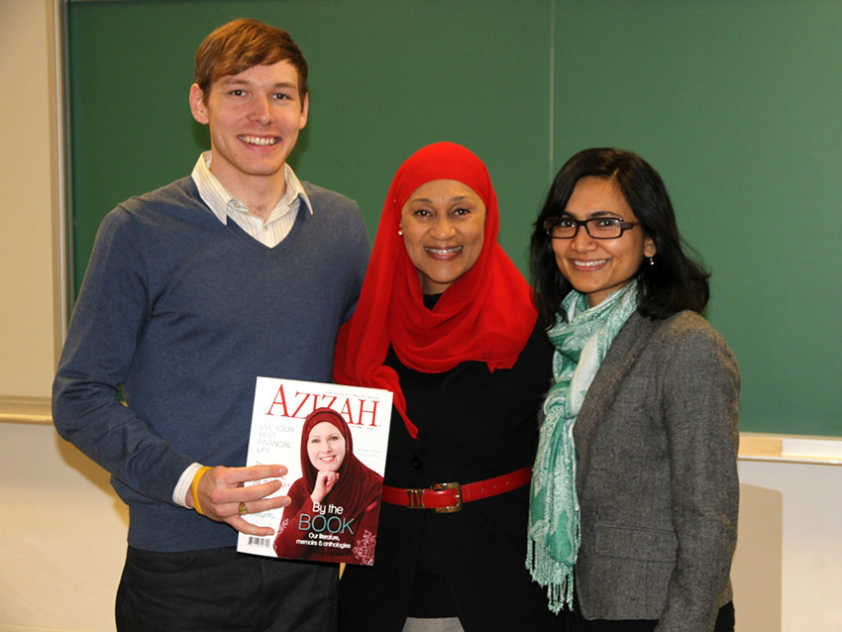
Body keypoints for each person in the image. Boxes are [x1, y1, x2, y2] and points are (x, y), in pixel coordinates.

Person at [51, 18, 368, 632]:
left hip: (307, 551)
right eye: (238, 91)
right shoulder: (138, 230)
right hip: (181, 561)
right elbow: (79, 399)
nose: (262, 113)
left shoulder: (341, 226)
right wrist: (191, 484)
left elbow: (360, 366)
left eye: (280, 94)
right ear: (200, 103)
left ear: (304, 111)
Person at [333, 142, 565, 631]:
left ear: (489, 217)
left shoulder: (541, 326)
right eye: (423, 212)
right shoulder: (360, 328)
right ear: (398, 222)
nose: (443, 231)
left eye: (461, 211)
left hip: (505, 592)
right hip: (382, 594)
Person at [526, 147, 739, 631]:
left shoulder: (687, 346)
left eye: (606, 224)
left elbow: (709, 519)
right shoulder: (563, 342)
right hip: (576, 605)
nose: (581, 242)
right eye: (566, 223)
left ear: (650, 240)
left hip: (658, 613)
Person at [273, 407, 384, 565]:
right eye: (316, 440)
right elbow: (283, 550)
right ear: (306, 447)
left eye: (333, 438)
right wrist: (315, 499)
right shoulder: (299, 488)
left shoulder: (373, 486)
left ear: (347, 441)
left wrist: (307, 556)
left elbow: (362, 559)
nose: (326, 448)